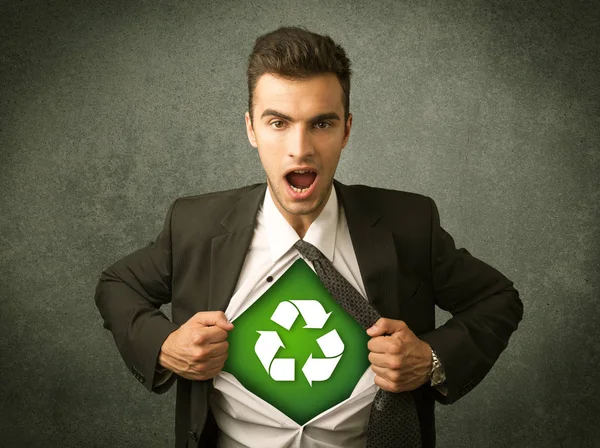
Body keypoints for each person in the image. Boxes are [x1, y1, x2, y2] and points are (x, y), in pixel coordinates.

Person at [94, 26, 524, 448]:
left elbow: (498, 299)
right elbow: (117, 286)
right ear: (251, 129)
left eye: (321, 123)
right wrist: (165, 344)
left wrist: (429, 360)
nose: (300, 148)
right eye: (278, 122)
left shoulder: (408, 223)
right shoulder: (194, 224)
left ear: (347, 130)